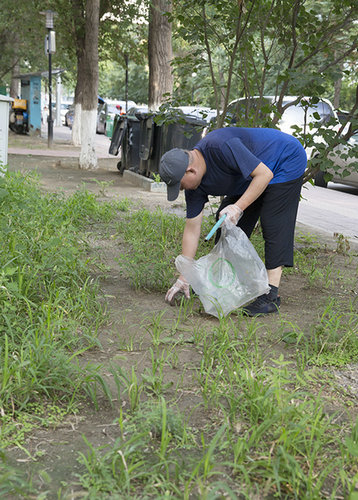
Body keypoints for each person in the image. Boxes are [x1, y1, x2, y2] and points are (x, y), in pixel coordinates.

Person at [159, 127, 307, 316]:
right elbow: (192, 228)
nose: (180, 190)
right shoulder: (194, 187)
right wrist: (184, 276)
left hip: (284, 159)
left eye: (179, 185)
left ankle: (271, 296)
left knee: (273, 223)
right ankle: (223, 281)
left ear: (190, 170)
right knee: (225, 224)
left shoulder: (221, 147)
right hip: (253, 175)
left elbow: (264, 175)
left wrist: (238, 206)